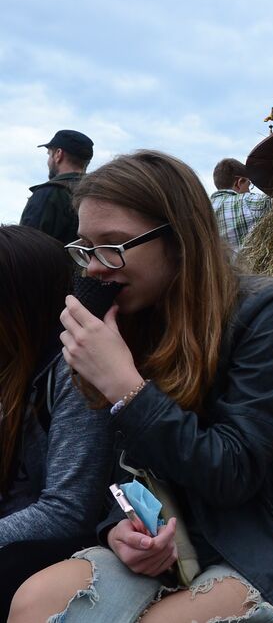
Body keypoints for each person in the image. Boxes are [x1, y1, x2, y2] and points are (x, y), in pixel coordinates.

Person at [9, 151, 273, 623]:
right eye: (85, 247)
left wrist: (126, 387)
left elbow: (234, 472)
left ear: (180, 241)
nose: (94, 268)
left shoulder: (269, 313)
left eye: (114, 245)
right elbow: (119, 472)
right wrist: (119, 531)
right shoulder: (128, 318)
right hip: (181, 540)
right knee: (33, 603)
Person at [0, 226, 114, 619]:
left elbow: (67, 511)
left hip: (41, 556)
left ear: (17, 304)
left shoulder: (71, 376)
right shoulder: (12, 364)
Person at [20, 131, 94, 244]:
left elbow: (24, 248)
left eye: (49, 154)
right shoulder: (99, 192)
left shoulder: (48, 193)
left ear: (58, 154)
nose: (48, 161)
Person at [209, 158, 272, 257]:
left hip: (213, 272)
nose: (249, 191)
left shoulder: (201, 209)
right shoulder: (247, 201)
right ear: (240, 182)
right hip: (244, 271)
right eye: (248, 185)